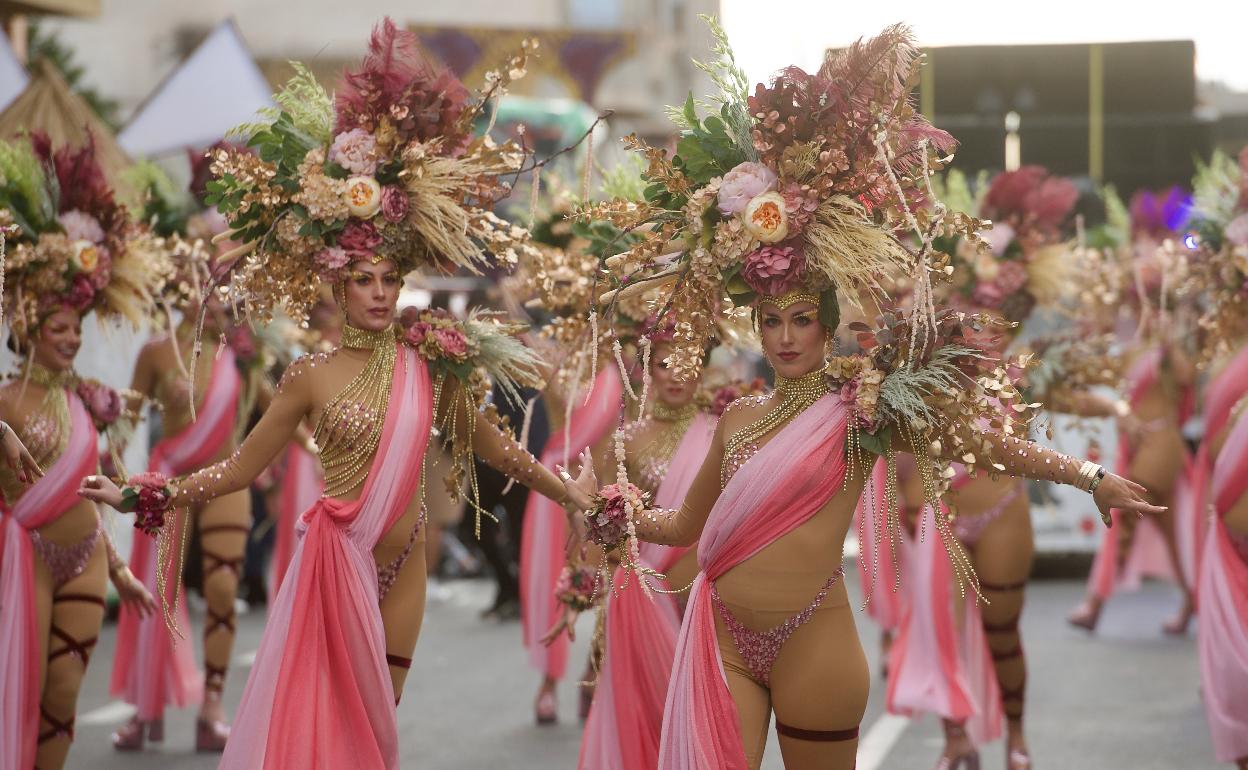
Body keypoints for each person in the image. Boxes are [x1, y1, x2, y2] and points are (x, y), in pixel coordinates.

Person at [557, 25, 1163, 770]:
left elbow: (976, 443)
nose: (786, 337)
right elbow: (683, 524)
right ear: (756, 326)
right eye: (771, 321)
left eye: (801, 320)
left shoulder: (861, 408)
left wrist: (1088, 476)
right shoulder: (735, 418)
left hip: (814, 640)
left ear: (826, 324)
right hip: (721, 640)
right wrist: (610, 508)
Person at [79, 19, 594, 770]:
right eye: (363, 279)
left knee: (378, 738)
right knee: (332, 739)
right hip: (333, 566)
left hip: (406, 564)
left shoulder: (432, 358)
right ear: (335, 285)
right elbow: (241, 470)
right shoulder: (308, 377)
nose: (380, 292)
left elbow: (493, 445)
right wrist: (141, 495)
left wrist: (567, 493)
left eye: (390, 278)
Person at [0, 135, 162, 770]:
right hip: (25, 558)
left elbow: (93, 489)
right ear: (28, 330)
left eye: (76, 329)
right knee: (27, 686)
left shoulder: (85, 400)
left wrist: (122, 571)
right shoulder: (5, 400)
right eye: (58, 329)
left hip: (87, 555)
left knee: (65, 693)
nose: (71, 339)